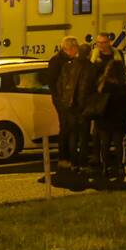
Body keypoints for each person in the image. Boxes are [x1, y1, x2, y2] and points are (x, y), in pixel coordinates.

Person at [93, 60, 126, 184]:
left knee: (105, 144)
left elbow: (98, 100)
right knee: (119, 144)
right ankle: (120, 166)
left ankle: (105, 167)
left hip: (105, 118)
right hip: (120, 119)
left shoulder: (103, 84)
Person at [56, 40, 95, 172]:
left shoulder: (68, 65)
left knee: (73, 135)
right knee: (83, 136)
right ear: (89, 54)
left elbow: (60, 85)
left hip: (69, 106)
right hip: (82, 107)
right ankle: (82, 163)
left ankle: (73, 163)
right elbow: (90, 88)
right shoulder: (91, 67)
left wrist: (64, 101)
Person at [48, 36, 79, 164]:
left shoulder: (68, 60)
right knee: (66, 128)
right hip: (63, 100)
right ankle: (64, 156)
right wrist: (59, 99)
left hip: (67, 100)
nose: (77, 50)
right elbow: (52, 81)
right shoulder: (57, 61)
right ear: (70, 48)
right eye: (75, 47)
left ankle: (68, 155)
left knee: (69, 128)